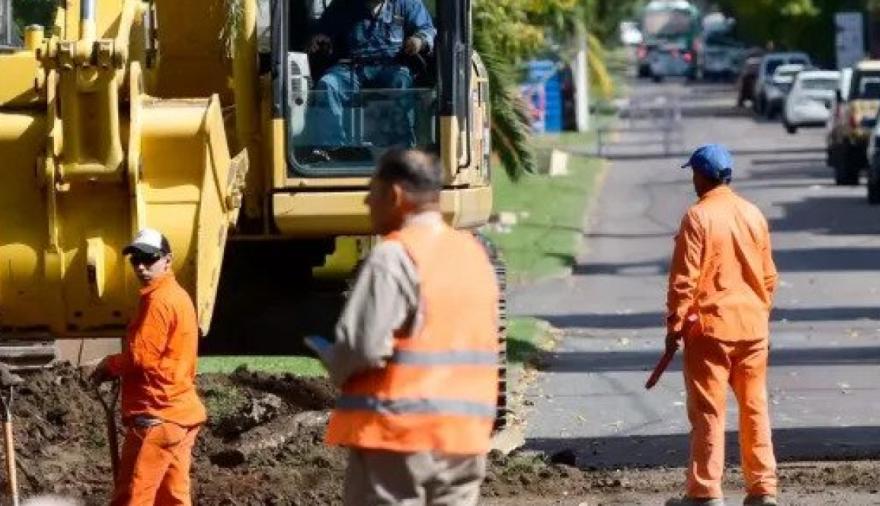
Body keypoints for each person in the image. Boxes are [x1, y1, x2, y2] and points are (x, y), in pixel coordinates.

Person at [315, 149, 499, 505]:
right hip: (464, 438)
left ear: (395, 196)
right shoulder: (474, 255)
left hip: (399, 438)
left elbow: (362, 346)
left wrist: (334, 362)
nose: (367, 201)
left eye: (372, 191)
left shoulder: (394, 256)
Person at [665, 144, 779, 506]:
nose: (693, 181)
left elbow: (684, 280)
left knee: (709, 411)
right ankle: (762, 489)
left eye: (693, 174)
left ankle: (705, 491)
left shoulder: (697, 217)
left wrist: (674, 328)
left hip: (711, 331)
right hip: (753, 329)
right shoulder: (753, 214)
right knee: (754, 406)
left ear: (701, 176)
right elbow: (768, 277)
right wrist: (760, 314)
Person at [90, 228, 206, 506]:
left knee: (134, 497)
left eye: (148, 259)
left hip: (157, 415)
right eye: (135, 260)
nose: (141, 266)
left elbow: (140, 357)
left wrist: (108, 365)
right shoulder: (177, 295)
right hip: (180, 415)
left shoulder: (159, 301)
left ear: (168, 260)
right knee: (172, 497)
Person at [305, 0, 437, 159]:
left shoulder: (407, 4)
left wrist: (419, 40)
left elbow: (427, 29)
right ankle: (332, 148)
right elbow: (323, 31)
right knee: (328, 84)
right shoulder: (342, 5)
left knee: (401, 82)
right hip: (352, 67)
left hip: (391, 66)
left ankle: (403, 149)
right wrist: (320, 38)